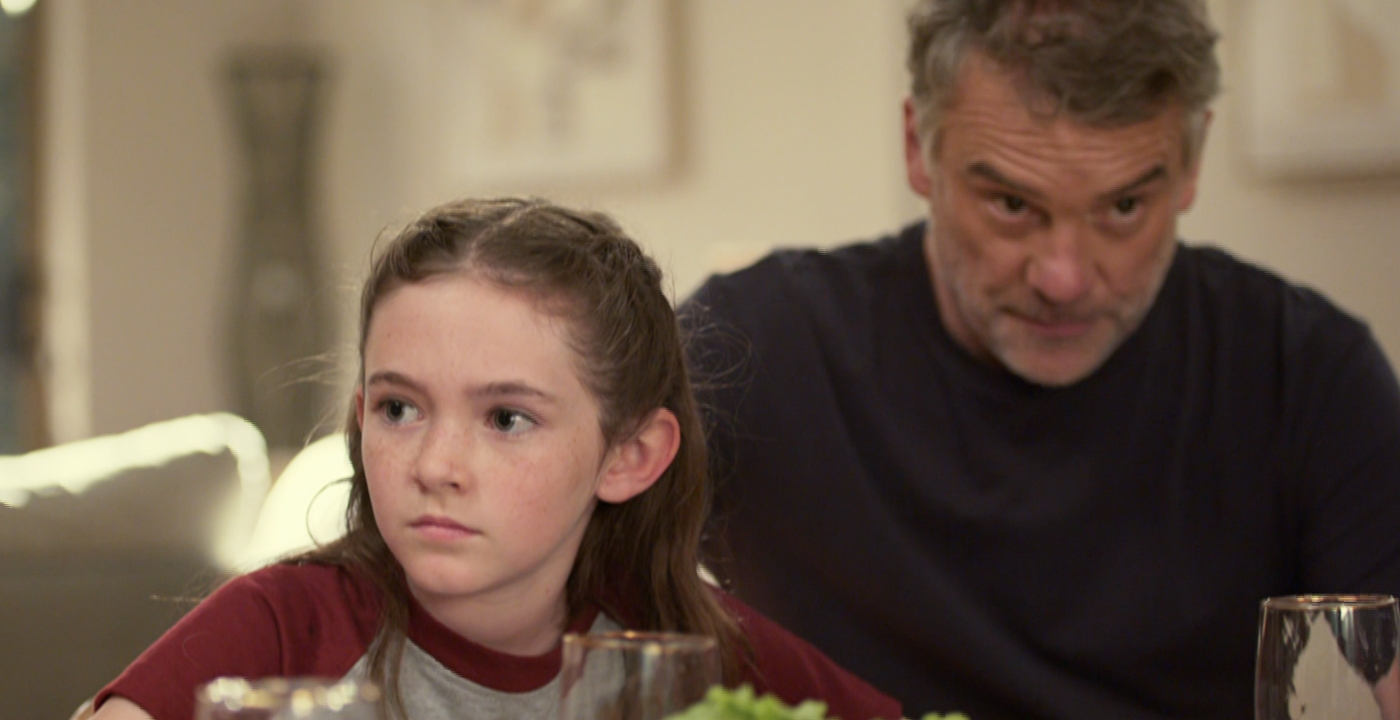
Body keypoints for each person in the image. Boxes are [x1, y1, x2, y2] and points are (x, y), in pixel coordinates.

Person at [683, 2, 1400, 719]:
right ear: (917, 146)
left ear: (1191, 163)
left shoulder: (1307, 373)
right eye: (1010, 203)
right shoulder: (753, 345)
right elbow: (615, 622)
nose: (1064, 278)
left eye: (1124, 206)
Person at [89, 198, 902, 720]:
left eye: (507, 419)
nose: (435, 465)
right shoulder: (281, 626)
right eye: (399, 409)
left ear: (630, 455)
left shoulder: (683, 652)